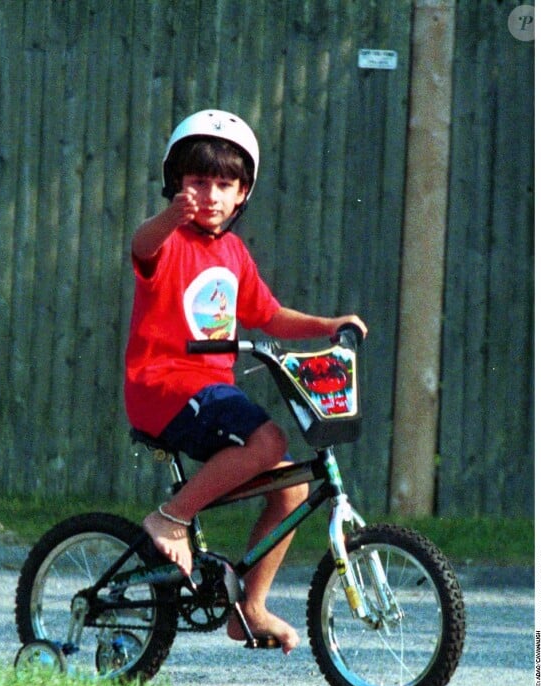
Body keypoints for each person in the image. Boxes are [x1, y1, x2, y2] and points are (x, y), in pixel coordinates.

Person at [125, 109, 367, 654]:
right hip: (163, 386)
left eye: (223, 184)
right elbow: (142, 245)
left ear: (242, 194)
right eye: (196, 181)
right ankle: (171, 516)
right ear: (175, 184)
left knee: (293, 488)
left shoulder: (232, 253)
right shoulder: (168, 243)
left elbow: (271, 316)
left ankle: (248, 609)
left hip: (210, 394)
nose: (208, 194)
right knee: (270, 440)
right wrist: (170, 216)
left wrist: (329, 326)